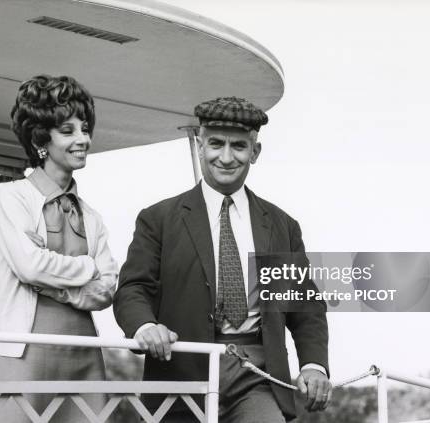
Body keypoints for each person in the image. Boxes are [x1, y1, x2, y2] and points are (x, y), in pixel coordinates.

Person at [113, 97, 331, 422]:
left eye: (239, 146)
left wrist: (314, 365)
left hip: (258, 373)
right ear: (200, 145)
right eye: (216, 144)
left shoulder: (282, 226)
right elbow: (132, 290)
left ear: (254, 152)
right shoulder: (157, 219)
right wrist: (145, 325)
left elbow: (305, 307)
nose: (226, 157)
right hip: (181, 369)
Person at [0, 75, 118, 422]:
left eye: (85, 128)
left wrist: (56, 288)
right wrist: (86, 266)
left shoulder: (92, 217)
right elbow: (29, 266)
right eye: (68, 131)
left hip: (84, 356)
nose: (83, 139)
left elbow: (106, 290)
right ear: (41, 138)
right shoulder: (13, 197)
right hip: (20, 356)